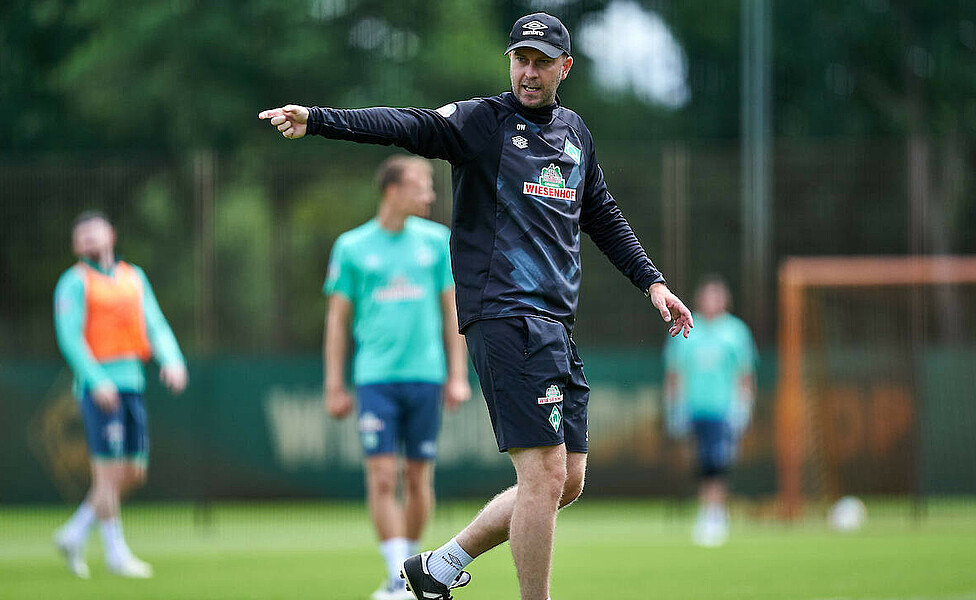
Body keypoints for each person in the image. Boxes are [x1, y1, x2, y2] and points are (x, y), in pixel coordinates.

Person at [259, 12, 693, 600]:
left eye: (542, 61)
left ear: (565, 67)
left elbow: (603, 214)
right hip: (505, 315)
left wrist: (653, 282)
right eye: (521, 59)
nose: (529, 71)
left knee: (568, 480)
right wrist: (318, 120)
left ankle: (440, 566)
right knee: (541, 475)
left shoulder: (574, 133)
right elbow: (406, 125)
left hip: (555, 324)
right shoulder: (483, 123)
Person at [322, 155, 472, 600]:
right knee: (383, 477)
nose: (430, 194)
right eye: (421, 185)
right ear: (393, 189)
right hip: (375, 379)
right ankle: (394, 575)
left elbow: (453, 313)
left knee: (418, 478)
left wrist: (458, 375)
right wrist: (334, 384)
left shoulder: (436, 241)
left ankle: (412, 573)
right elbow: (336, 322)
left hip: (426, 377)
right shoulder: (351, 247)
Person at [52, 211, 188, 578]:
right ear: (75, 245)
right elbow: (70, 337)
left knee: (133, 472)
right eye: (81, 237)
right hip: (100, 390)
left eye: (94, 234)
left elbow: (155, 323)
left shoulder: (133, 277)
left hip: (132, 384)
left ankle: (75, 531)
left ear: (110, 235)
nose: (89, 241)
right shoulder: (74, 283)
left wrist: (172, 360)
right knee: (107, 474)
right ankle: (116, 553)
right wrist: (96, 381)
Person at [664, 276, 757, 547]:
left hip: (723, 410)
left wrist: (744, 406)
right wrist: (674, 408)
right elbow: (674, 372)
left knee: (717, 464)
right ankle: (710, 511)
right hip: (694, 409)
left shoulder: (736, 332)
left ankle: (714, 515)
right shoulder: (687, 328)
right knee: (701, 464)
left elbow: (745, 374)